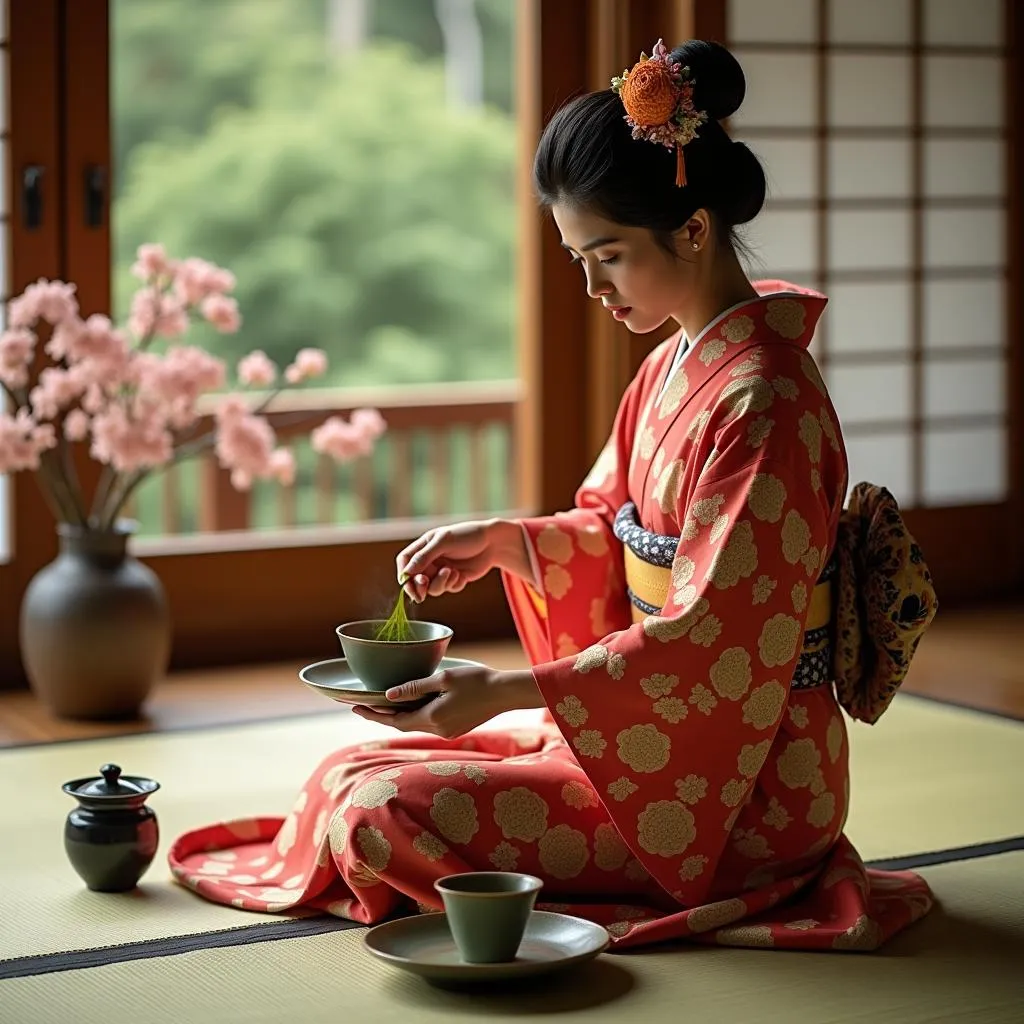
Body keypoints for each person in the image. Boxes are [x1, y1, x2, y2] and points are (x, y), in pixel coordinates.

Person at [170, 39, 938, 951]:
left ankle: (702, 885)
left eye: (606, 255)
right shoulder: (672, 368)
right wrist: (509, 543)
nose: (591, 286)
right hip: (666, 742)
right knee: (351, 765)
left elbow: (713, 643)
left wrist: (500, 691)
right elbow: (610, 530)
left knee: (379, 811)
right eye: (578, 256)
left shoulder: (767, 399)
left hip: (741, 788)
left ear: (692, 230)